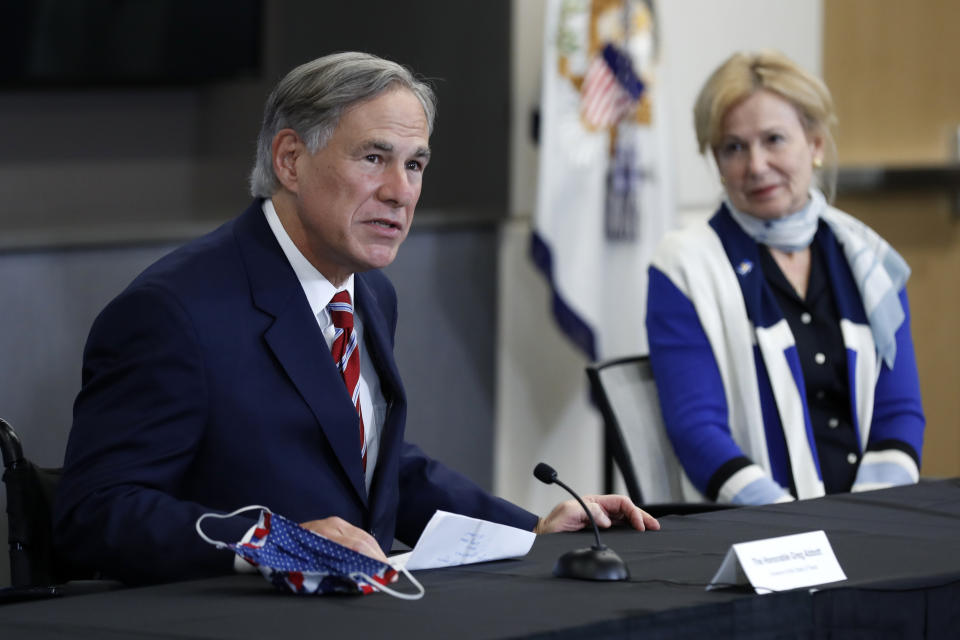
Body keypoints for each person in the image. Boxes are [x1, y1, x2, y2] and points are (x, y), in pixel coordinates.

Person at [53, 52, 658, 585]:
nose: (401, 192)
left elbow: (372, 464)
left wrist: (530, 529)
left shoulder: (368, 293)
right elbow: (95, 512)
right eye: (375, 158)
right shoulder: (172, 312)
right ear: (290, 160)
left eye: (415, 165)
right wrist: (269, 543)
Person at [645, 50, 925, 506]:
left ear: (814, 145)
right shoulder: (684, 266)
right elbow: (697, 430)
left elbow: (899, 413)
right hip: (759, 533)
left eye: (774, 139)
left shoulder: (870, 258)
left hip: (875, 520)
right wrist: (791, 529)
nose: (756, 166)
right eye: (733, 147)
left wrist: (871, 520)